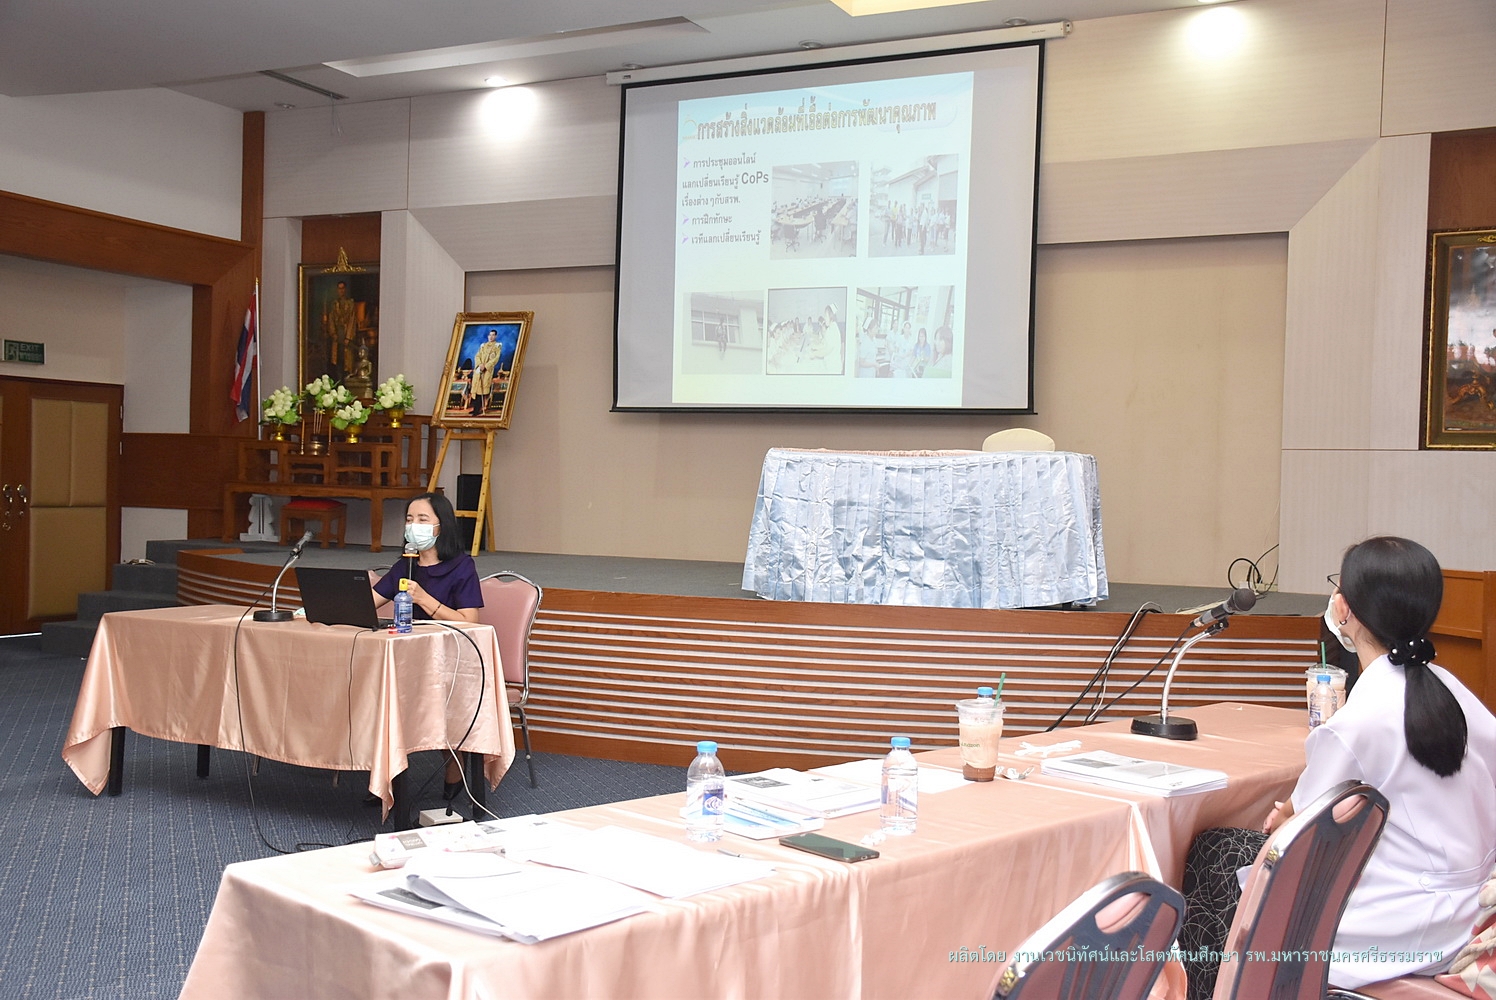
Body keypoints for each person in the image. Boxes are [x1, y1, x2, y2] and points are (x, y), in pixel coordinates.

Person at [1180, 536, 1496, 997]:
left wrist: (1284, 817)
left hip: (1399, 924)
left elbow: (1301, 833)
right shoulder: (1458, 694)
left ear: (1344, 608)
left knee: (1216, 854)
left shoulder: (1356, 722)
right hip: (1471, 909)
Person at [369, 493, 485, 798]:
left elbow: (470, 621)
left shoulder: (462, 566)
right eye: (409, 519)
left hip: (448, 659)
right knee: (373, 690)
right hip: (407, 657)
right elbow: (369, 602)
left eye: (422, 519)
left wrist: (423, 599)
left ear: (440, 526)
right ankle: (384, 775)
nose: (413, 526)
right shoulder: (405, 566)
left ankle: (454, 764)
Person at [472, 329, 503, 415]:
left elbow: (495, 359)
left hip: (487, 371)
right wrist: (480, 364)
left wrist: (486, 366)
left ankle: (478, 409)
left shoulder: (497, 346)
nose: (491, 337)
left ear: (495, 336)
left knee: (482, 389)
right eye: (490, 335)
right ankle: (475, 408)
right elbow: (477, 356)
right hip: (479, 368)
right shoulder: (483, 346)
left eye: (493, 335)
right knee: (476, 388)